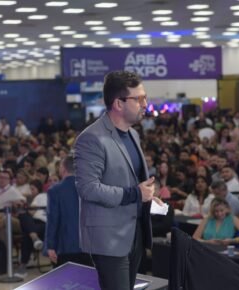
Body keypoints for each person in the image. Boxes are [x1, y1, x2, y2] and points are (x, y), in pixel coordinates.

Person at [74, 71, 157, 290]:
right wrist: (134, 193)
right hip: (109, 237)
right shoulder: (91, 138)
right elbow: (88, 188)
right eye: (138, 99)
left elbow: (130, 179)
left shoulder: (133, 134)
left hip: (135, 232)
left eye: (145, 97)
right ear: (118, 103)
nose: (145, 104)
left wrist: (147, 195)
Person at [46, 156, 91, 267]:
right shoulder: (89, 187)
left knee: (65, 282)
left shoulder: (55, 190)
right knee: (88, 281)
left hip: (65, 245)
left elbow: (53, 219)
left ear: (63, 168)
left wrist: (50, 245)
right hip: (90, 245)